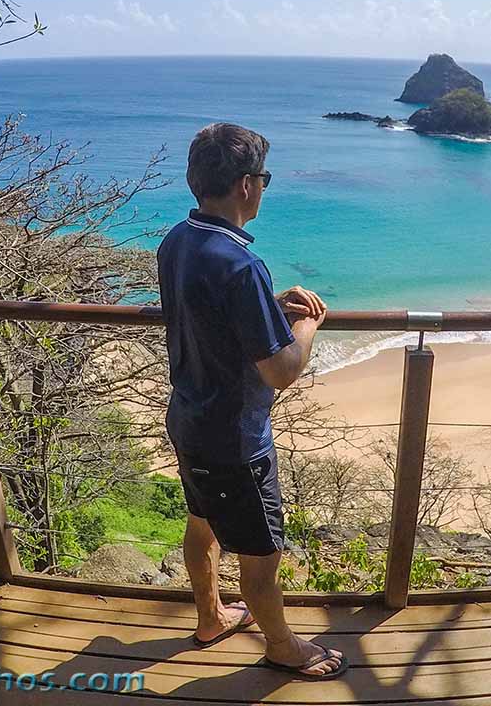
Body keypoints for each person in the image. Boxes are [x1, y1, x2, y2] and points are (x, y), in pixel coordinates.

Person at [157, 123, 346, 680]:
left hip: (188, 417)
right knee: (261, 554)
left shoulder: (178, 240)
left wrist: (266, 301)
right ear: (245, 186)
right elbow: (282, 369)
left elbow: (207, 311)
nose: (264, 187)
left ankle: (211, 617)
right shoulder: (241, 264)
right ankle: (283, 647)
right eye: (262, 178)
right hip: (235, 440)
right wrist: (308, 323)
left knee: (202, 521)